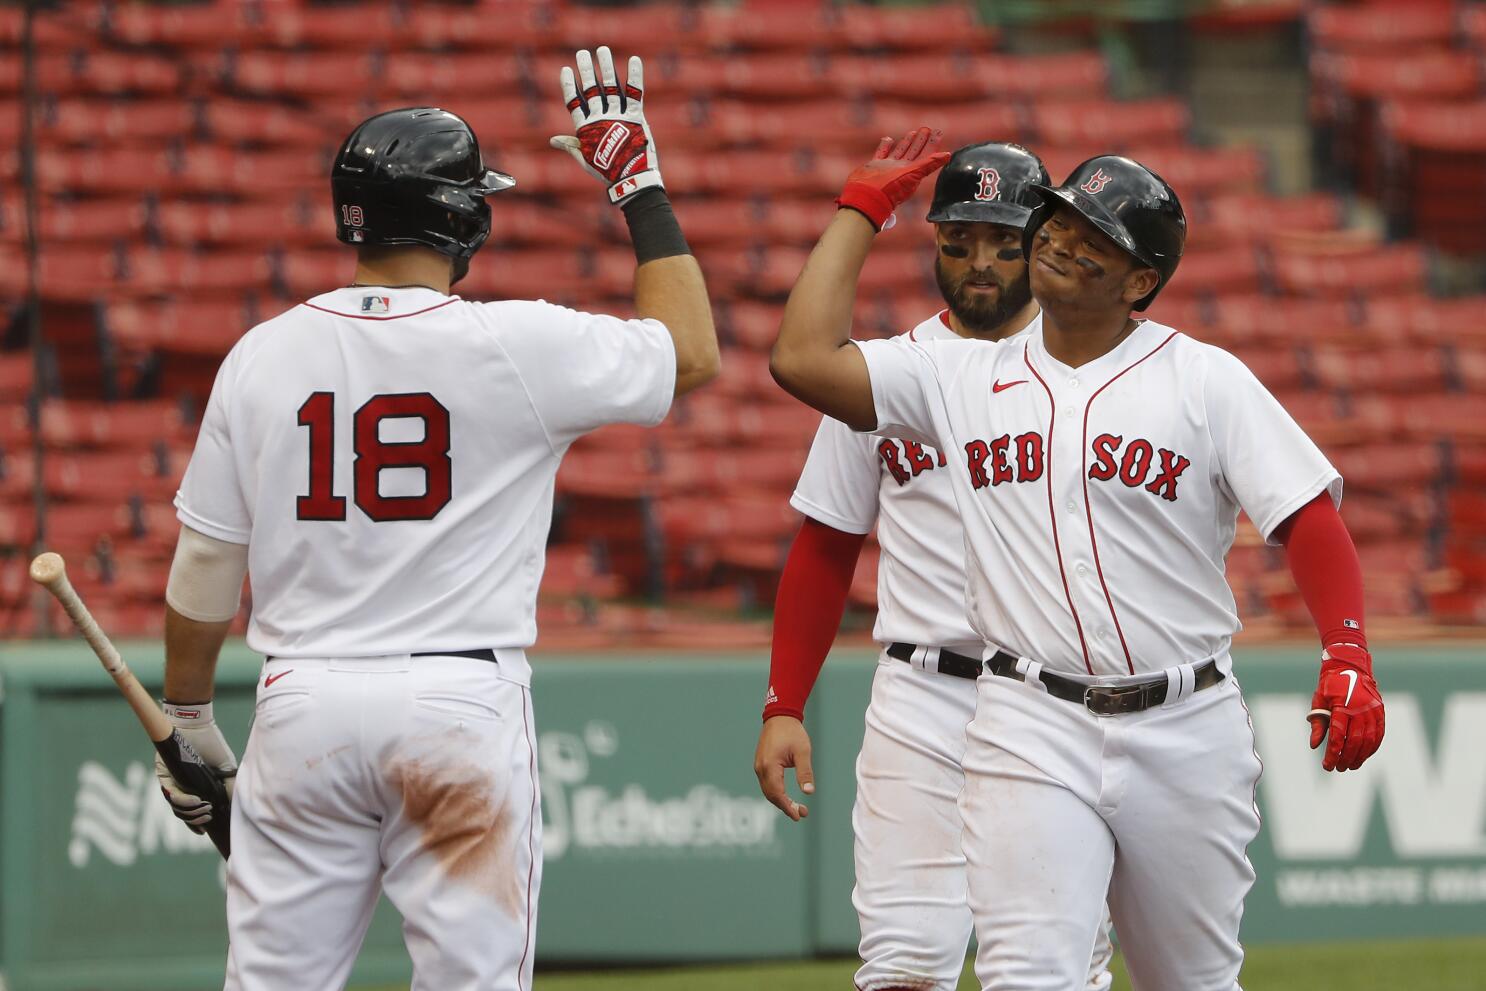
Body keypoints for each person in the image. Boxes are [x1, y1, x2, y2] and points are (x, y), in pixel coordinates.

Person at [151, 47, 718, 991]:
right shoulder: (516, 341)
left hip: (303, 703)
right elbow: (689, 349)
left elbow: (207, 566)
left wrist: (189, 715)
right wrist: (638, 186)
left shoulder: (260, 353)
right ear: (464, 217)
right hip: (458, 700)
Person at [770, 130, 1384, 990]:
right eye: (1057, 221)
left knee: (1193, 979)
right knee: (1028, 975)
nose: (1059, 241)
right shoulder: (957, 378)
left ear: (1141, 281)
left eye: (1093, 238)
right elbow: (800, 359)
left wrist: (1347, 648)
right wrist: (862, 211)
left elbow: (1307, 518)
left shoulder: (1203, 379)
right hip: (1028, 715)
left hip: (1186, 719)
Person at [753, 141, 1112, 991]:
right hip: (922, 695)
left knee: (1052, 974)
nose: (979, 260)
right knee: (905, 966)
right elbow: (827, 541)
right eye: (958, 240)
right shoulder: (887, 375)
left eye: (1002, 239)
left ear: (1044, 245)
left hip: (1057, 695)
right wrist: (783, 700)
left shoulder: (1100, 373)